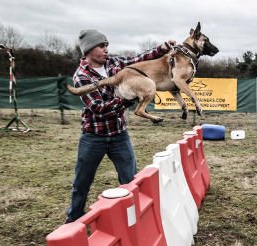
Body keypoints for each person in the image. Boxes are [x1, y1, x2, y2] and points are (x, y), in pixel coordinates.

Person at [65, 29, 175, 223]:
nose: (106, 49)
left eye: (107, 45)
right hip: (94, 136)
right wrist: (126, 99)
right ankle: (73, 219)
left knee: (131, 179)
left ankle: (135, 217)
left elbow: (140, 58)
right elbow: (99, 109)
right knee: (82, 182)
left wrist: (163, 48)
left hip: (119, 134)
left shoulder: (115, 63)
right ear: (89, 50)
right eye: (101, 46)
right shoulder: (81, 76)